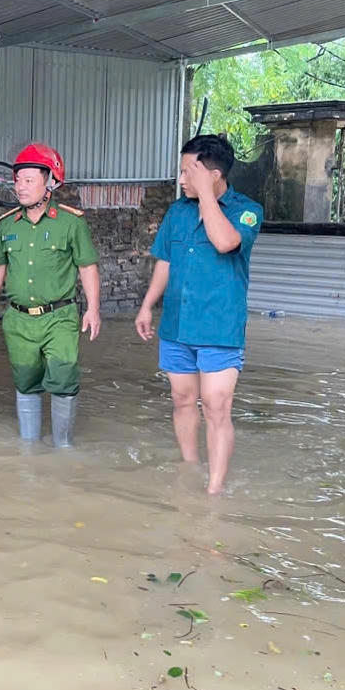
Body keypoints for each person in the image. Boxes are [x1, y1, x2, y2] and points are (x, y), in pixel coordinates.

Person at [136, 134, 263, 495]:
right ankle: (190, 468)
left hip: (220, 327)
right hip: (177, 326)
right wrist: (147, 306)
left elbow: (225, 242)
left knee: (217, 407)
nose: (180, 180)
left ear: (214, 173)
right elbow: (165, 260)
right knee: (181, 400)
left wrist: (207, 193)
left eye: (187, 172)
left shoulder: (246, 210)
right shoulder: (177, 212)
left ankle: (215, 489)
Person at [0, 143, 100, 448]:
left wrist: (93, 309)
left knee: (63, 379)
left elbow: (87, 267)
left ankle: (63, 448)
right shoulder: (6, 225)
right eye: (18, 179)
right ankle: (29, 453)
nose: (20, 186)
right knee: (25, 383)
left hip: (60, 317)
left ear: (51, 183)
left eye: (29, 180)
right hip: (18, 319)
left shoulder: (71, 223)